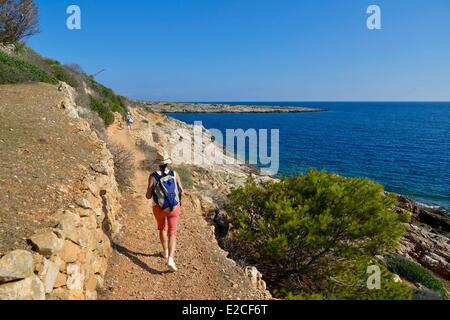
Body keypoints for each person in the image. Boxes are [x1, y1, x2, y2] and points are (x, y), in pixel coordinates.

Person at [146, 150, 184, 272]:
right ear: (168, 163)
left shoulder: (153, 176)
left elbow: (148, 196)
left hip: (158, 208)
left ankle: (165, 252)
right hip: (174, 208)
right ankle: (171, 259)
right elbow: (182, 191)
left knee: (162, 228)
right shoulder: (174, 174)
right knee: (172, 232)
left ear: (158, 163)